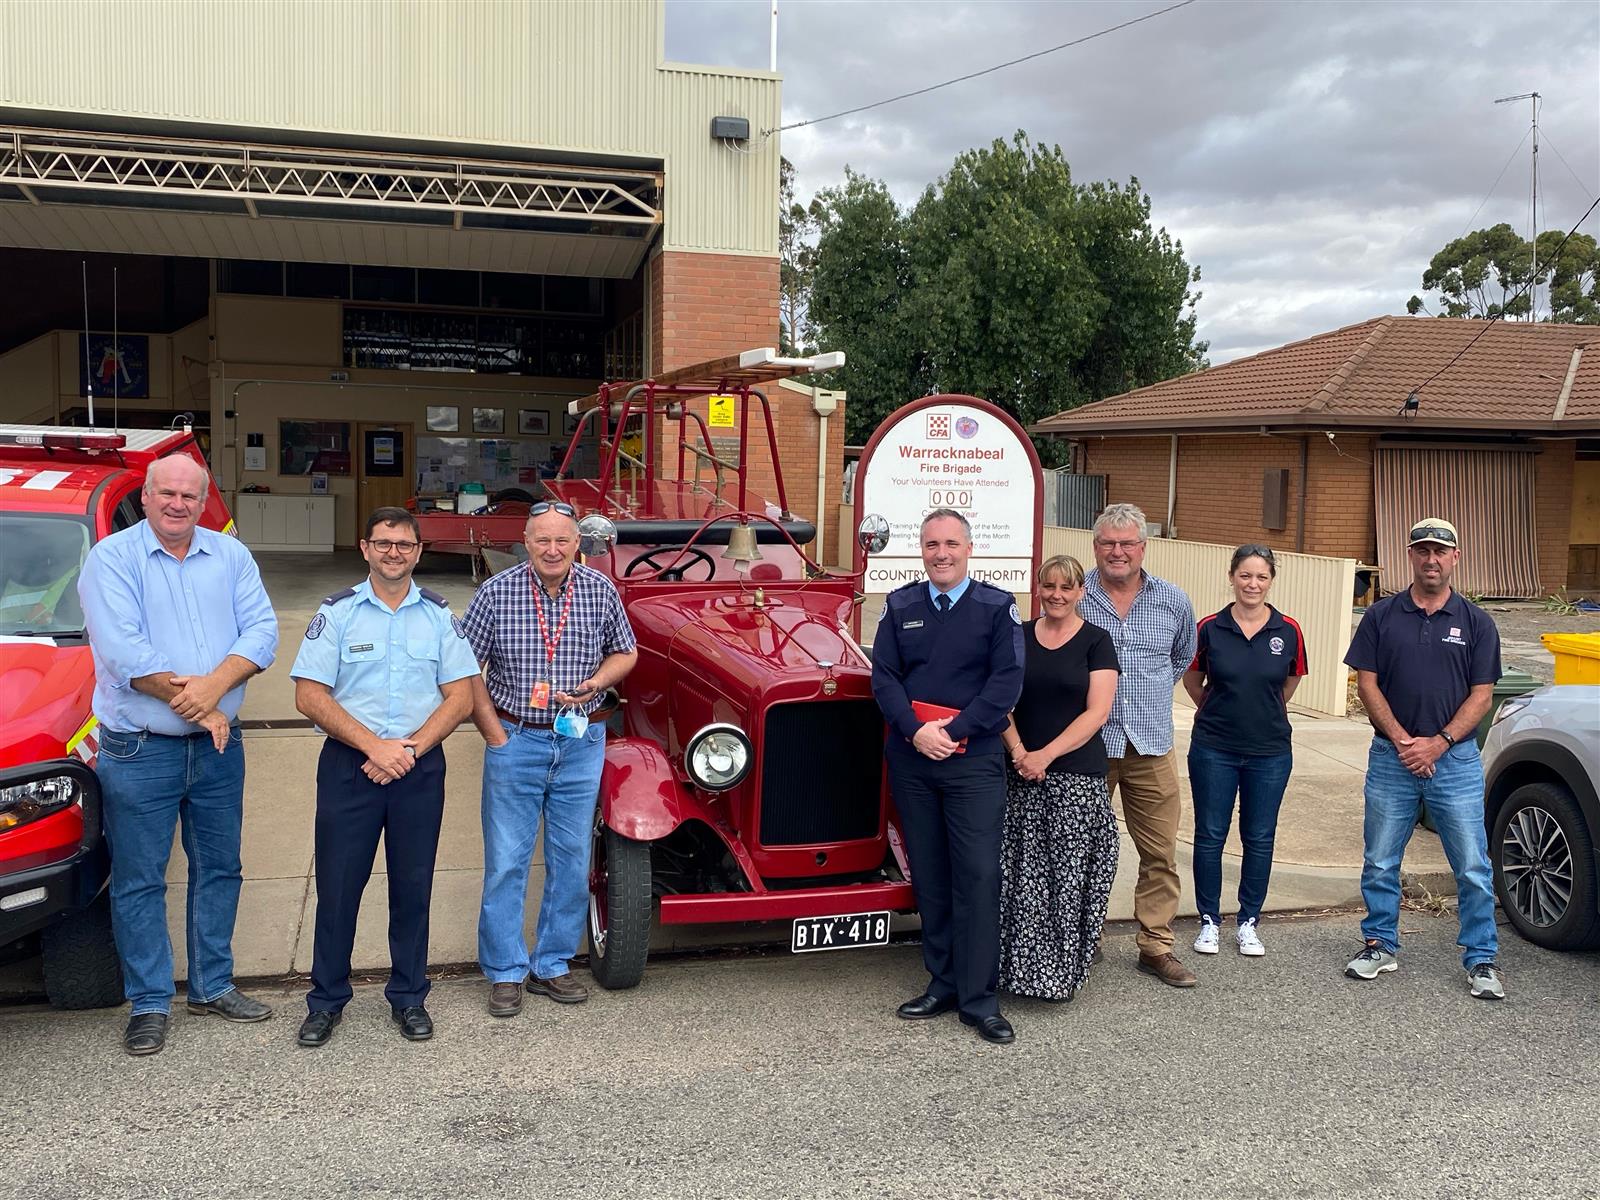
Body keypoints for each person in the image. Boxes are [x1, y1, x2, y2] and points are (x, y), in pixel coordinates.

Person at [77, 453, 279, 1056]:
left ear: (203, 500)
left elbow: (262, 632)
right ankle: (149, 1000)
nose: (177, 505)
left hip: (218, 748)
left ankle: (212, 985)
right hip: (139, 750)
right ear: (147, 493)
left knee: (220, 869)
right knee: (140, 879)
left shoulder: (232, 556)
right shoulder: (112, 559)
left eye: (189, 497)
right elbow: (125, 655)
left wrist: (212, 692)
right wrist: (205, 703)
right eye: (166, 493)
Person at [288, 507, 479, 1047]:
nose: (394, 552)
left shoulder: (440, 616)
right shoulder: (339, 613)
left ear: (418, 552)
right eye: (383, 543)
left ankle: (410, 997)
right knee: (338, 889)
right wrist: (375, 746)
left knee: (413, 888)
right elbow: (308, 694)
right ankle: (325, 1002)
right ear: (365, 548)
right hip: (352, 766)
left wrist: (408, 750)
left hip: (418, 767)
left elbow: (461, 696)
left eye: (404, 544)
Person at [459, 501, 637, 1016]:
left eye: (563, 540)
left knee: (571, 859)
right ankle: (505, 970)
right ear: (526, 541)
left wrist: (597, 684)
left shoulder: (600, 591)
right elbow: (463, 666)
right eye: (543, 540)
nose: (553, 549)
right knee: (507, 861)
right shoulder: (497, 592)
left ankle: (552, 964)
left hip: (580, 743)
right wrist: (493, 733)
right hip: (517, 739)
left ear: (577, 544)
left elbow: (625, 652)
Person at [871, 509, 1024, 1045]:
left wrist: (954, 729)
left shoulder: (996, 608)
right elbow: (884, 677)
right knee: (930, 874)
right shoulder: (901, 605)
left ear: (969, 548)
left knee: (978, 875)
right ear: (921, 549)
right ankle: (943, 983)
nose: (941, 553)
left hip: (972, 763)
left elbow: (1006, 684)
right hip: (913, 760)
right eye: (932, 544)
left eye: (951, 543)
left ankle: (981, 1000)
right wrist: (916, 732)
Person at [1342, 517, 1505, 1000]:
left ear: (1455, 558)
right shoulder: (1381, 617)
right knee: (1379, 859)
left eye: (1440, 551)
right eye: (1422, 551)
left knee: (1473, 865)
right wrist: (1402, 741)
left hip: (1453, 763)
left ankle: (1481, 959)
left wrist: (1439, 742)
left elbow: (1482, 694)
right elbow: (1366, 682)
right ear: (1410, 556)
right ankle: (1379, 943)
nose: (1431, 560)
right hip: (1392, 760)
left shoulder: (1476, 622)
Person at [1078, 503, 1199, 988]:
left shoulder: (1172, 600)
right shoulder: (1076, 595)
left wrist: (1145, 696)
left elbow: (1182, 655)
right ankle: (1083, 940)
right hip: (1089, 747)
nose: (1118, 552)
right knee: (1083, 849)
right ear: (1096, 547)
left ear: (1143, 547)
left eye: (1128, 543)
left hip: (1150, 745)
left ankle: (1156, 946)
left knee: (1159, 853)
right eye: (1108, 542)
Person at [998, 554, 1120, 1002]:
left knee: (1063, 881)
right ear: (1038, 588)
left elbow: (1098, 712)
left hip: (1074, 778)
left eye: (1066, 587)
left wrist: (1045, 755)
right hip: (1019, 772)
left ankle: (1056, 977)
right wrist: (1019, 752)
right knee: (1018, 878)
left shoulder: (1096, 641)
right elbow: (998, 701)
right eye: (1049, 586)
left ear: (1081, 592)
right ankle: (1012, 974)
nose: (1056, 595)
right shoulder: (1017, 637)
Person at [1182, 544, 1307, 959]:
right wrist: (1219, 708)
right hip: (1214, 747)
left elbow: (1288, 684)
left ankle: (1249, 920)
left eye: (1261, 577)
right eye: (1245, 575)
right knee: (1211, 834)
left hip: (1269, 751)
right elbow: (1193, 679)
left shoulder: (1288, 630)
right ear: (1232, 576)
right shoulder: (1209, 628)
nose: (1253, 584)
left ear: (1271, 581)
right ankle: (1209, 921)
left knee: (1259, 837)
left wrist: (1260, 709)